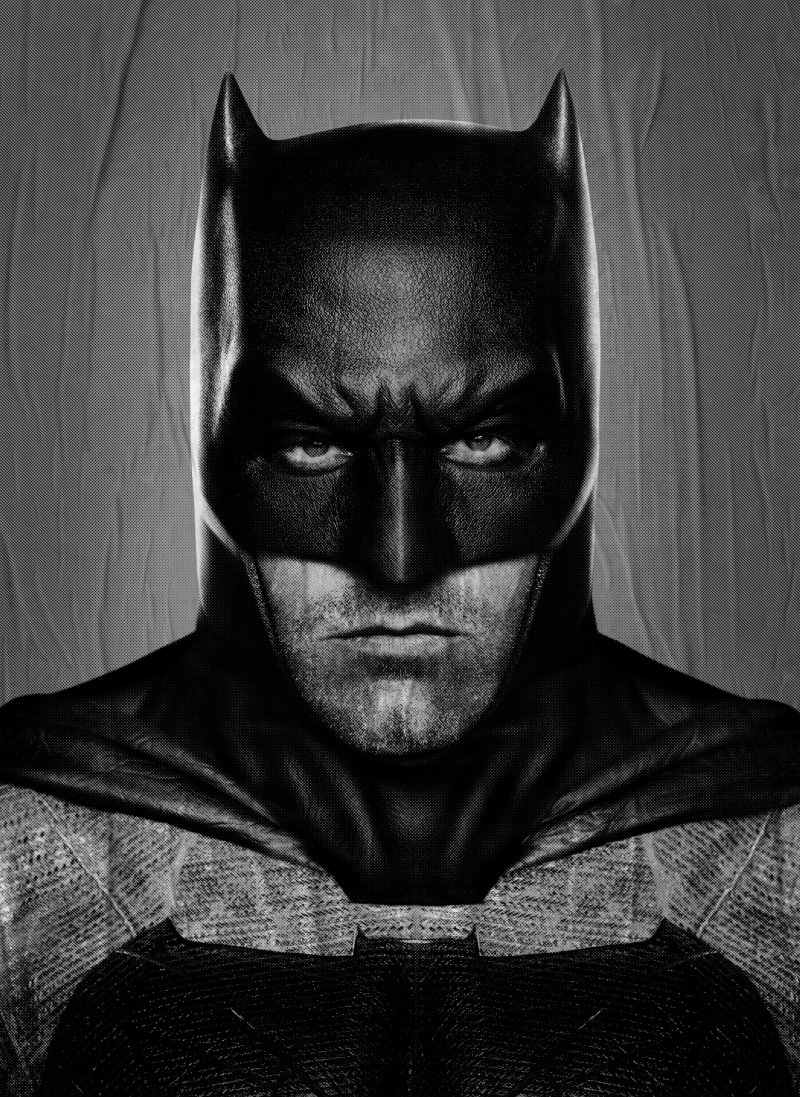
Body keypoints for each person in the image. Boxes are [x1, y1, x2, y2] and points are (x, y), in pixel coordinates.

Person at [1, 71, 798, 1096]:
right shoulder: (30, 857)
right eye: (309, 445)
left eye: (483, 439)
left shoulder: (770, 848)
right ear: (210, 435)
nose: (399, 560)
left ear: (581, 431)